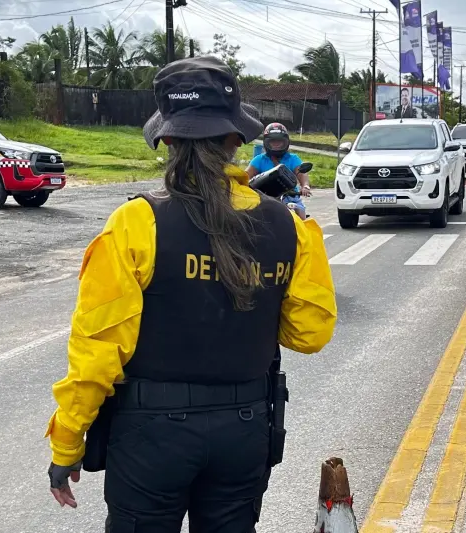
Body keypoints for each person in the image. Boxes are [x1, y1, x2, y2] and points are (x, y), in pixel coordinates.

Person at [44, 56, 338, 532]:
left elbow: (97, 350)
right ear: (236, 139)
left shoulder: (135, 223)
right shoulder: (291, 227)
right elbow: (309, 334)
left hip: (151, 436)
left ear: (167, 140)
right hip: (245, 431)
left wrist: (67, 442)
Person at [246, 122, 311, 219]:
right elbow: (245, 176)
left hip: (290, 197)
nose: (276, 145)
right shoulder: (259, 160)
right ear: (267, 142)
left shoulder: (292, 158)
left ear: (286, 142)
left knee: (301, 216)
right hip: (264, 198)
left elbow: (302, 174)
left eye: (279, 142)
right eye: (273, 142)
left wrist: (305, 186)